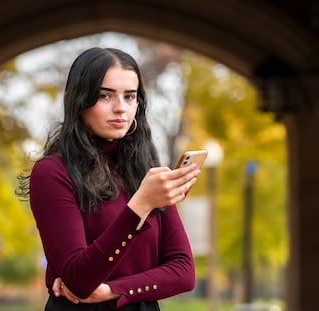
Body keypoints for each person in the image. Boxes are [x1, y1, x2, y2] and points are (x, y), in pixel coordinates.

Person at [26, 47, 201, 311]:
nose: (120, 108)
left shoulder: (146, 171)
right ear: (78, 100)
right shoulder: (52, 172)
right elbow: (78, 279)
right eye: (104, 96)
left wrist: (113, 290)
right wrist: (140, 205)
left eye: (129, 97)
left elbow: (184, 271)